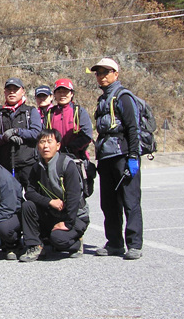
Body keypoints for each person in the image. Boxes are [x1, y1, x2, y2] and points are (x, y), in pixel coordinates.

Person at [90, 58, 144, 260]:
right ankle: (114, 243)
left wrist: (133, 156)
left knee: (130, 201)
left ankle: (134, 244)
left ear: (116, 74)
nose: (102, 76)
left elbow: (133, 128)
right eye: (98, 73)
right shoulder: (103, 99)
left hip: (122, 155)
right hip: (106, 157)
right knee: (109, 203)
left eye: (106, 72)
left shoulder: (124, 97)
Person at [19, 129, 89, 262]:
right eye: (42, 142)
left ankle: (76, 242)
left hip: (74, 215)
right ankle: (35, 246)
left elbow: (74, 197)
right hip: (52, 211)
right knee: (28, 206)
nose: (45, 146)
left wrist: (68, 223)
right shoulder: (36, 167)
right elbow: (30, 192)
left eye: (49, 142)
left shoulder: (67, 164)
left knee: (58, 240)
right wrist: (49, 202)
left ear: (58, 145)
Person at [0, 78, 42, 188]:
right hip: (5, 165)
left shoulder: (31, 111)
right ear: (4, 92)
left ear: (23, 91)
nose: (12, 92)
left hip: (28, 164)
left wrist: (17, 131)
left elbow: (36, 133)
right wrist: (5, 137)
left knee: (31, 197)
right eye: (9, 90)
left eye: (15, 89)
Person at [43, 78, 93, 161]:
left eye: (65, 91)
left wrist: (70, 148)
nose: (62, 94)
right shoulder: (49, 114)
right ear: (54, 95)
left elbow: (87, 135)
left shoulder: (79, 111)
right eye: (59, 92)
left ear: (71, 94)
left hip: (77, 157)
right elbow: (44, 135)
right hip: (55, 158)